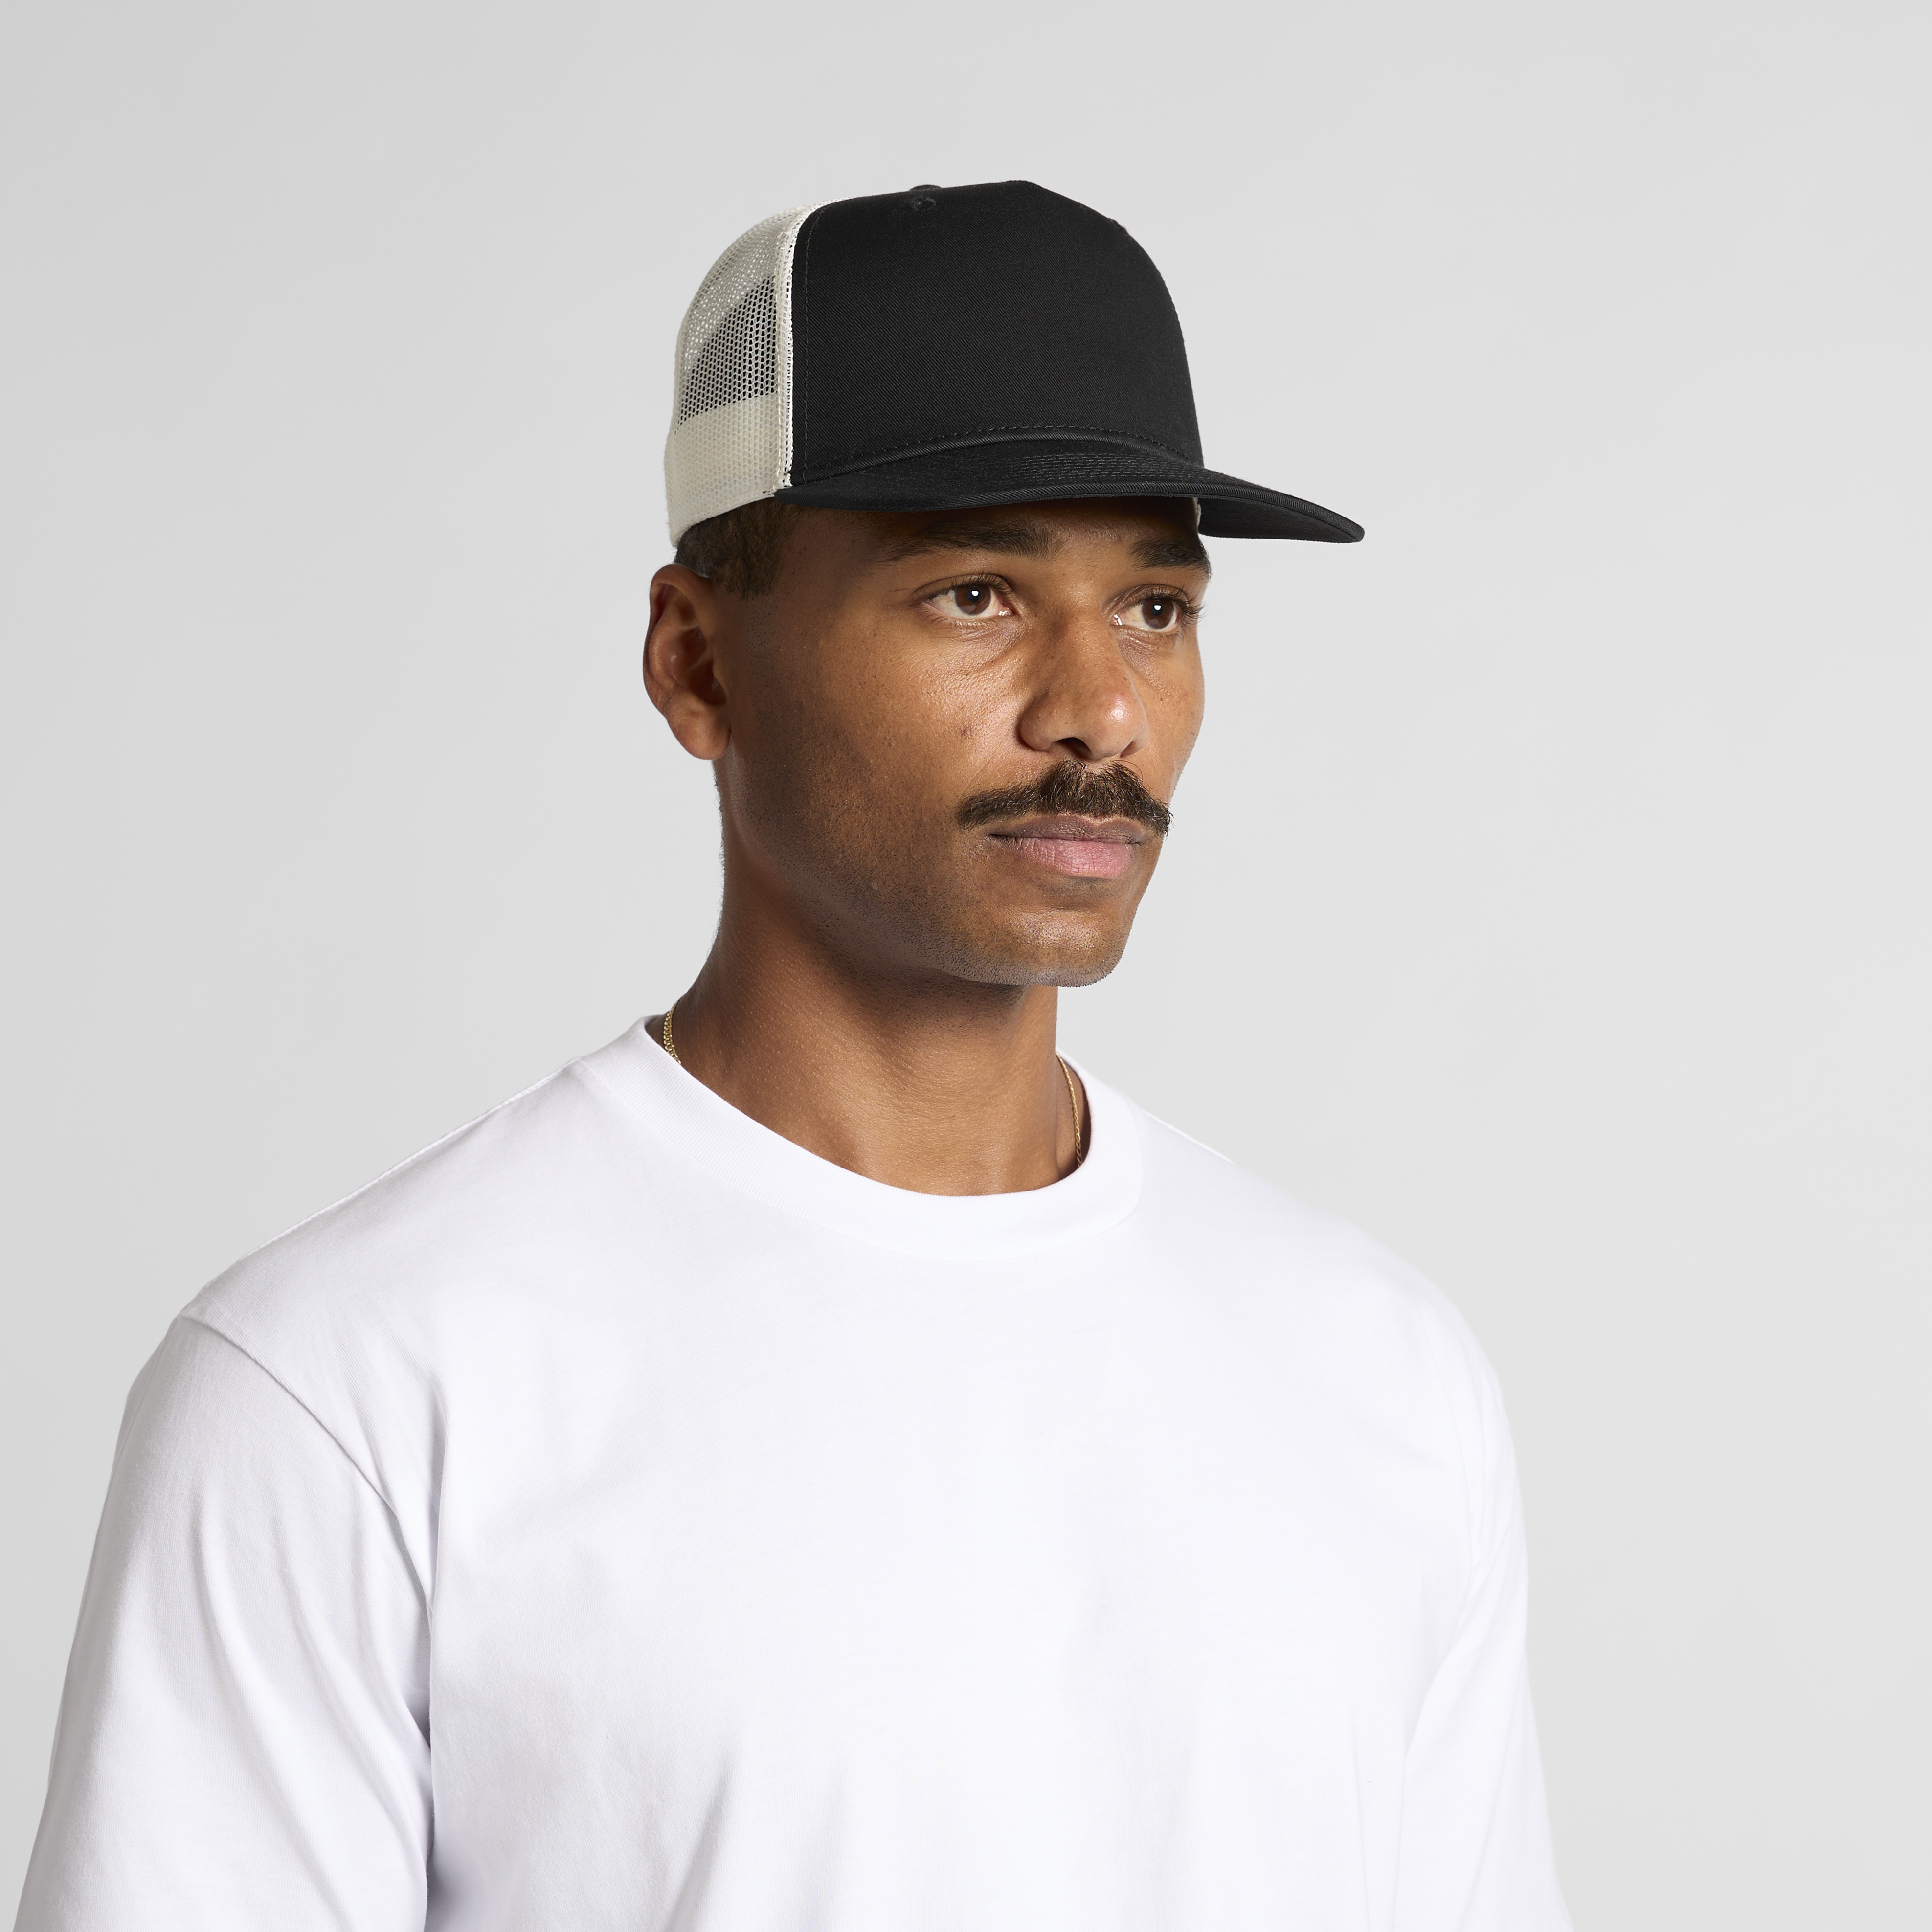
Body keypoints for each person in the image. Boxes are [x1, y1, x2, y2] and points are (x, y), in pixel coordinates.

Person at [15, 181, 1570, 1931]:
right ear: (699, 665)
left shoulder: (1380, 1375)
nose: (1099, 709)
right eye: (975, 593)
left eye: (1155, 607)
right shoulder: (353, 1388)